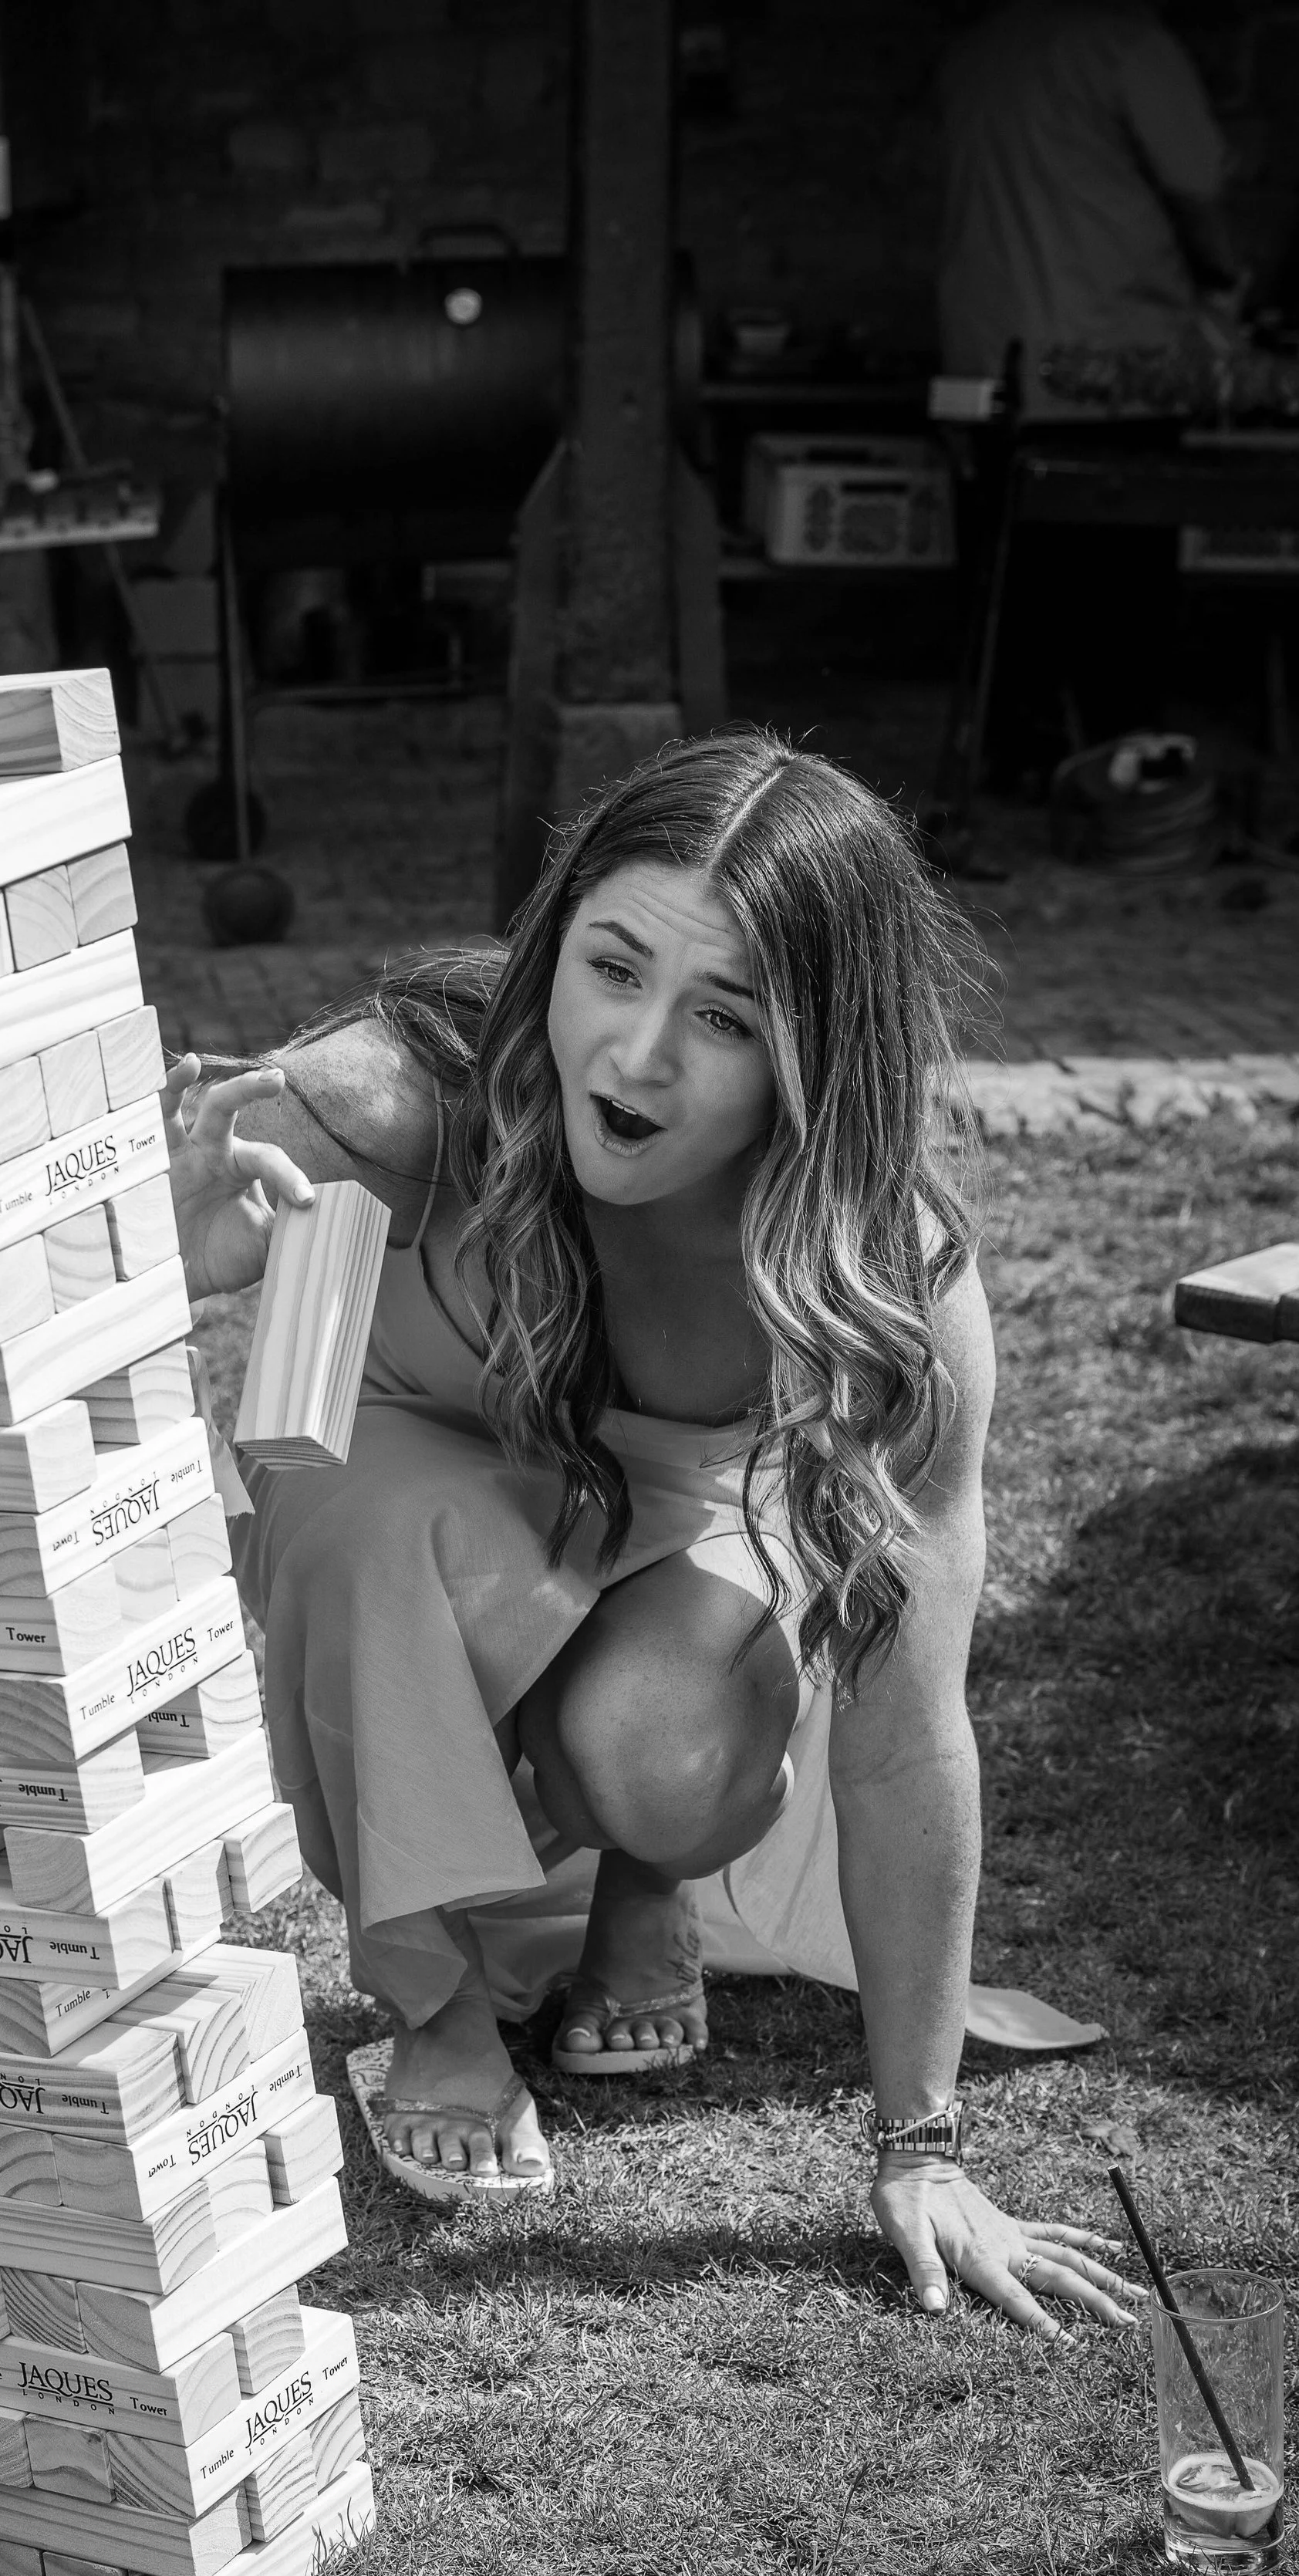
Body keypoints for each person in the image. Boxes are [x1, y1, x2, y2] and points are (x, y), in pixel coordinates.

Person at [164, 730, 1139, 2338]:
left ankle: (642, 1888)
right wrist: (160, 1239)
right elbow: (84, 1281)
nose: (634, 1055)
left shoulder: (883, 1290)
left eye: (725, 1018)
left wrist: (921, 2144)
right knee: (364, 1519)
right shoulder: (396, 1097)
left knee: (658, 1739)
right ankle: (436, 2008)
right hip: (415, 1488)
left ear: (816, 1059)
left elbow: (903, 1730)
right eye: (610, 968)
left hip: (665, 1525)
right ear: (556, 947)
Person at [937, 2, 1242, 775]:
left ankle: (1019, 757)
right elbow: (1197, 185)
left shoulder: (979, 46)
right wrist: (1225, 279)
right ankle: (1118, 760)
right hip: (1106, 365)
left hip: (986, 354)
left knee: (1013, 577)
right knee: (1120, 592)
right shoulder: (1129, 45)